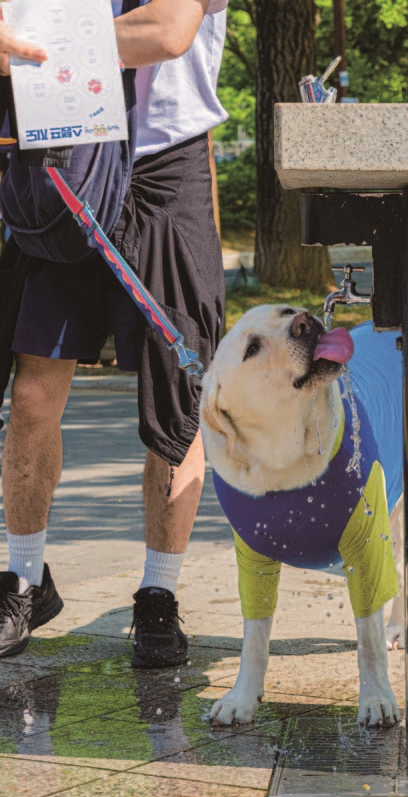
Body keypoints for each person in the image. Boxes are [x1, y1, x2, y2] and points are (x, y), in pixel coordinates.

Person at [0, 0, 228, 668]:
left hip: (164, 168)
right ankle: (24, 581)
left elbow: (167, 31)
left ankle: (158, 592)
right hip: (64, 149)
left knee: (175, 403)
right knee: (35, 392)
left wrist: (29, 47)